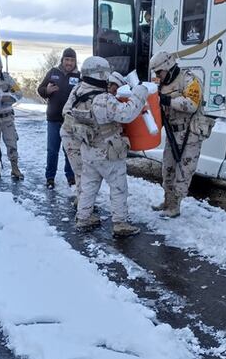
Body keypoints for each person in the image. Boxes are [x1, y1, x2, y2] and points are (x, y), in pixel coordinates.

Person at [68, 57, 149, 237]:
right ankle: (120, 223)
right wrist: (140, 93)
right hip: (108, 151)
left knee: (88, 186)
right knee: (118, 187)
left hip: (88, 149)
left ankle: (83, 217)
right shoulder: (102, 98)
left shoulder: (77, 92)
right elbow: (127, 114)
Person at [150, 51, 211, 217]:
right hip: (172, 132)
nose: (157, 76)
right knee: (167, 169)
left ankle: (175, 206)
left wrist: (167, 100)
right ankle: (167, 201)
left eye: (159, 73)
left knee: (184, 171)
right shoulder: (161, 84)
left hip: (190, 133)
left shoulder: (190, 80)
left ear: (167, 67)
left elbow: (192, 104)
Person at [36, 48, 80, 188]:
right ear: (62, 60)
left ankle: (71, 176)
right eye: (67, 59)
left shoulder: (79, 76)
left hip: (71, 120)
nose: (69, 63)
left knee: (70, 150)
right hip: (53, 119)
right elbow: (40, 89)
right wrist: (46, 91)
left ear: (75, 62)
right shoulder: (53, 72)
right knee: (52, 150)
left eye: (72, 60)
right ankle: (50, 177)